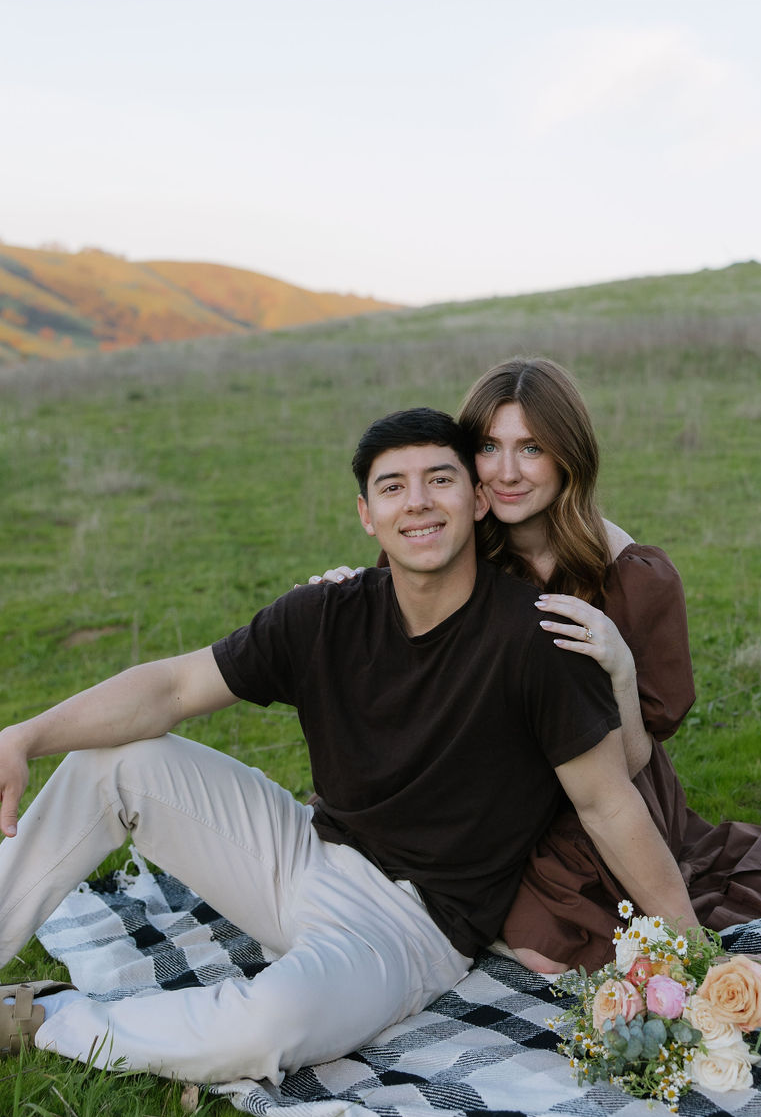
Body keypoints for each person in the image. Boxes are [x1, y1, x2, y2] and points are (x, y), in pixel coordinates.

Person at [0, 408, 702, 1082]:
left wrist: (693, 954)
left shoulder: (538, 640)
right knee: (116, 759)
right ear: (368, 514)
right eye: (393, 487)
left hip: (407, 927)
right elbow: (173, 689)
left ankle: (51, 1019)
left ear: (478, 501)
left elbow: (610, 806)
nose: (418, 503)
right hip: (301, 852)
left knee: (267, 1029)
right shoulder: (326, 612)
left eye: (440, 479)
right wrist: (24, 737)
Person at [316, 362, 761, 974]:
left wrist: (618, 669)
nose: (507, 472)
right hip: (485, 785)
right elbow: (408, 670)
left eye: (531, 448)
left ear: (568, 456)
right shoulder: (451, 542)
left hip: (597, 788)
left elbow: (635, 763)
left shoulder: (635, 580)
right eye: (489, 447)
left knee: (551, 943)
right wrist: (347, 604)